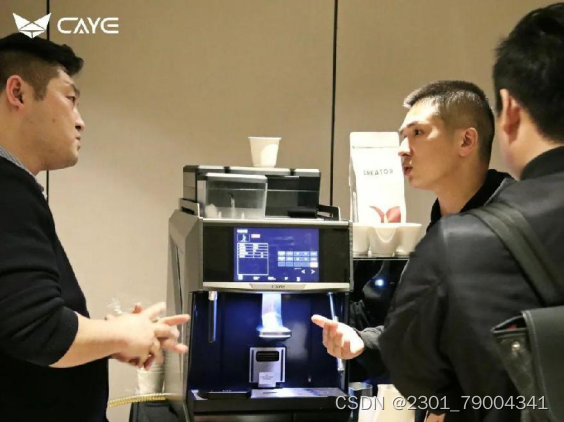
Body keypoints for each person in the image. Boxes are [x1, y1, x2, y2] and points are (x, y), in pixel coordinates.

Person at [365, 3, 564, 422]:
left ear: (509, 111)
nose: (403, 149)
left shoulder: (459, 246)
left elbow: (415, 374)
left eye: (418, 133)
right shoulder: (447, 233)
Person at [0, 33, 189, 422]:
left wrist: (112, 338)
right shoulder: (7, 192)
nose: (80, 121)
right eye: (70, 98)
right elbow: (39, 329)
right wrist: (124, 333)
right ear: (18, 93)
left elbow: (16, 321)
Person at [349, 80, 513, 335]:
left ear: (466, 141)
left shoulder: (518, 221)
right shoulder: (439, 231)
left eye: (418, 132)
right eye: (403, 137)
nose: (402, 150)